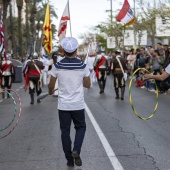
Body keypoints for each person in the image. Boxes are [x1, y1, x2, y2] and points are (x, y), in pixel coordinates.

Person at [48, 37, 90, 167]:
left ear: (63, 50)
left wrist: (50, 92)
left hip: (63, 105)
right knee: (81, 127)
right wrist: (80, 78)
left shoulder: (57, 66)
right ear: (76, 50)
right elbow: (87, 85)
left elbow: (51, 86)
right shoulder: (83, 66)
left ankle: (69, 159)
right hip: (77, 104)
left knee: (65, 131)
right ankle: (76, 150)